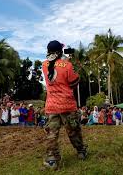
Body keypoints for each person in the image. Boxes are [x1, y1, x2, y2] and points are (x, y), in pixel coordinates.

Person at [42, 40, 87, 170]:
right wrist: (71, 65)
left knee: (51, 134)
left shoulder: (44, 65)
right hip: (67, 105)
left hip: (51, 106)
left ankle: (52, 160)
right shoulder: (67, 65)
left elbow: (54, 66)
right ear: (60, 51)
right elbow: (73, 82)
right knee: (73, 131)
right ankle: (81, 151)